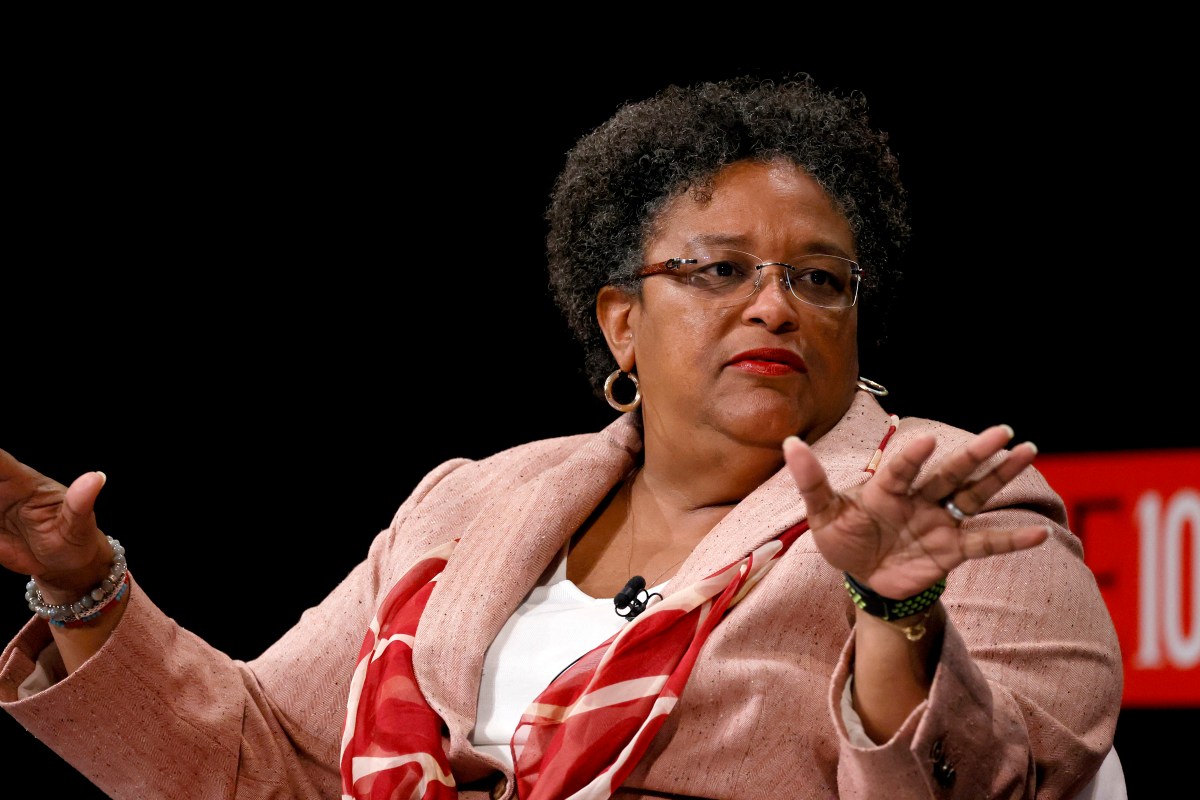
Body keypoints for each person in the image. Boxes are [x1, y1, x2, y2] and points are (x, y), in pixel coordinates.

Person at [0, 73, 1122, 799]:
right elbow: (263, 759)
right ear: (621, 322)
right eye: (721, 270)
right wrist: (89, 586)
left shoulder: (950, 500)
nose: (776, 304)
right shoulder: (472, 502)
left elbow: (1010, 783)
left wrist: (895, 612)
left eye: (818, 278)